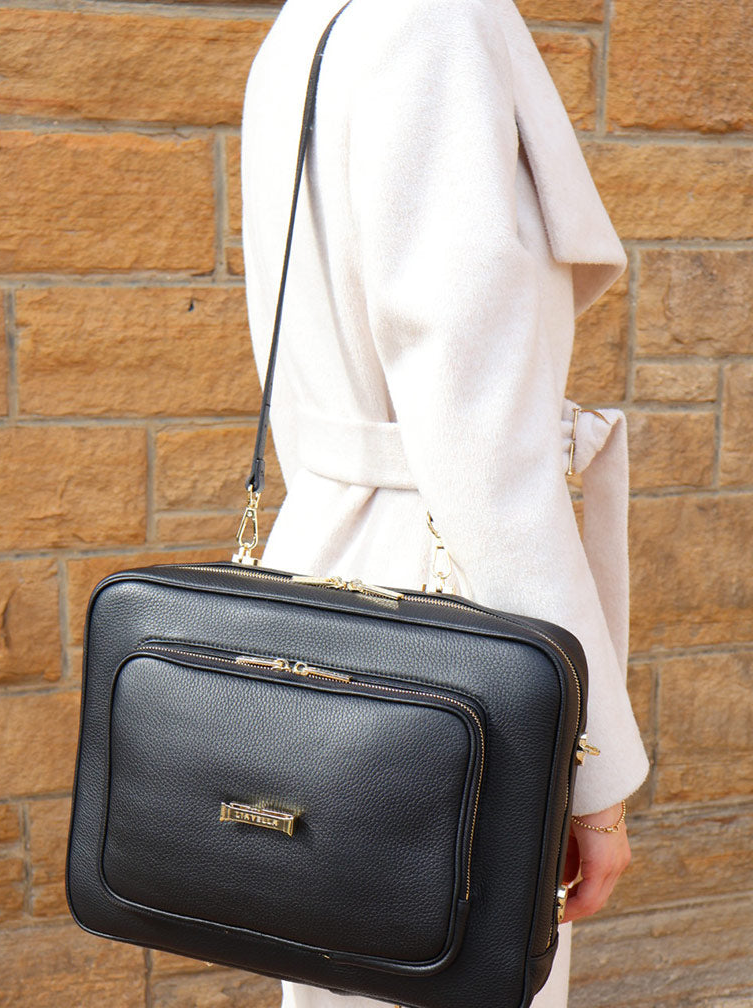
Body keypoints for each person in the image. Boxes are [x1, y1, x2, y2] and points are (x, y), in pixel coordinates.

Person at [239, 0, 650, 1005]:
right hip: (447, 614)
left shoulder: (312, 23)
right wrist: (589, 776)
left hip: (328, 569)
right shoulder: (433, 24)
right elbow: (488, 457)